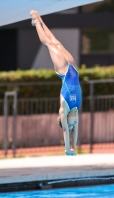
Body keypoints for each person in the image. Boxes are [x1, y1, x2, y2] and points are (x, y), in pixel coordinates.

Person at [30, 10, 82, 156]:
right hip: (73, 68)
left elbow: (66, 131)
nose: (73, 125)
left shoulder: (64, 108)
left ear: (64, 118)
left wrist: (67, 149)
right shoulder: (76, 111)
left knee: (48, 44)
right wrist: (74, 147)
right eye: (73, 125)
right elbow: (74, 132)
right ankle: (39, 18)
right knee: (56, 42)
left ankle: (35, 23)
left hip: (64, 71)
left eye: (70, 123)